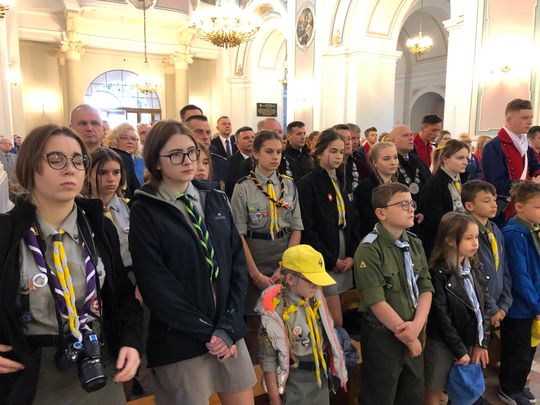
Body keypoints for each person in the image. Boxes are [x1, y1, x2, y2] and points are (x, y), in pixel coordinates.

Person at [0, 124, 143, 403]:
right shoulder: (7, 232)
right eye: (56, 159)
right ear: (30, 166)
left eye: (78, 160)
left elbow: (123, 296)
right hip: (32, 374)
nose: (70, 169)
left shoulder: (99, 227)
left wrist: (131, 342)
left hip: (97, 362)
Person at [129, 120, 256, 405]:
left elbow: (237, 264)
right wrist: (209, 333)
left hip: (226, 329)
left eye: (191, 152)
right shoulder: (145, 209)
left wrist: (228, 327)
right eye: (175, 154)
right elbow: (156, 284)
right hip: (181, 338)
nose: (188, 161)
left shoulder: (214, 197)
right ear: (156, 161)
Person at [354, 182, 433, 405]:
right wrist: (409, 337)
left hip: (415, 327)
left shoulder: (414, 243)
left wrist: (417, 325)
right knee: (381, 395)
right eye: (403, 205)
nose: (411, 209)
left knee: (413, 393)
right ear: (381, 213)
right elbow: (376, 301)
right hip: (384, 335)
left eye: (412, 203)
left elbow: (426, 287)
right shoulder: (369, 249)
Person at [230, 131, 303, 363]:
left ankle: (283, 365)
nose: (275, 157)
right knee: (256, 321)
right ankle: (257, 369)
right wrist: (256, 275)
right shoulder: (243, 188)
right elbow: (238, 235)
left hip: (284, 254)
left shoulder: (288, 185)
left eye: (279, 152)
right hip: (255, 255)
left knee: (285, 315)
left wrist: (285, 266)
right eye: (269, 151)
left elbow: (296, 228)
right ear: (255, 153)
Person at [256, 245, 347, 405]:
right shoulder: (274, 313)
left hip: (320, 379)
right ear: (290, 279)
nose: (317, 285)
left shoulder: (316, 300)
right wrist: (274, 399)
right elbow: (268, 359)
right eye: (311, 281)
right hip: (294, 384)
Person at [424, 212, 491, 405]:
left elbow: (484, 307)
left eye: (476, 237)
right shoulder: (438, 272)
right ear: (450, 240)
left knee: (463, 388)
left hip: (469, 339)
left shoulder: (475, 267)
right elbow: (441, 316)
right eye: (469, 238)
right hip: (442, 343)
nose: (475, 243)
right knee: (434, 388)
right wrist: (459, 350)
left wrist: (482, 342)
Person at [298, 129, 354, 327]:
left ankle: (337, 345)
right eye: (333, 151)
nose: (338, 156)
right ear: (319, 152)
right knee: (334, 320)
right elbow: (308, 228)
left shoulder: (341, 179)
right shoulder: (308, 183)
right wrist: (331, 260)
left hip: (343, 247)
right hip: (324, 252)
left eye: (341, 152)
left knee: (343, 310)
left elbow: (351, 219)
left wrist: (351, 255)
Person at [498, 181, 540, 405]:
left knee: (529, 347)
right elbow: (520, 275)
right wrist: (535, 305)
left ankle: (519, 384)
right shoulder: (514, 233)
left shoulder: (531, 227)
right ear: (520, 207)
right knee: (517, 350)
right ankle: (509, 389)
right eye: (538, 207)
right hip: (520, 306)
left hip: (532, 303)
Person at [482, 99, 540, 226]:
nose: (530, 122)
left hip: (524, 207)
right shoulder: (494, 147)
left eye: (531, 117)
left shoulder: (525, 145)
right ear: (509, 119)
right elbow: (496, 184)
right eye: (525, 118)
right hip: (505, 211)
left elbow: (535, 166)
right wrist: (531, 184)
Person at [462, 180, 512, 325]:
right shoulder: (466, 233)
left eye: (494, 200)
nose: (494, 205)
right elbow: (473, 275)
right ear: (469, 206)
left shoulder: (495, 230)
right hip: (476, 307)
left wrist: (504, 304)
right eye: (486, 201)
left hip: (498, 306)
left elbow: (504, 268)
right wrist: (493, 308)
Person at [419, 139, 470, 255]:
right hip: (442, 244)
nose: (466, 162)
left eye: (467, 158)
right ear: (445, 159)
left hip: (460, 236)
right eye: (460, 158)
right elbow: (435, 221)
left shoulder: (461, 180)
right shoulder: (434, 184)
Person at [86, 147, 131, 268]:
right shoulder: (81, 210)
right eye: (102, 173)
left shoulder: (128, 207)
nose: (111, 179)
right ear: (88, 175)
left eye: (116, 172)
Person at [354, 142, 399, 239]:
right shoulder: (365, 188)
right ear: (375, 163)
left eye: (395, 157)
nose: (393, 162)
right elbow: (369, 222)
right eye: (386, 159)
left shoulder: (399, 185)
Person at [185, 114, 231, 193]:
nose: (206, 137)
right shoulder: (179, 164)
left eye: (208, 132)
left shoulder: (222, 164)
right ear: (186, 135)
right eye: (199, 132)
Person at [389, 124, 431, 204]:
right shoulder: (389, 163)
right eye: (405, 135)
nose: (411, 138)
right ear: (393, 141)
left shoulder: (417, 160)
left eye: (411, 135)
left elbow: (429, 185)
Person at [104, 123, 144, 199]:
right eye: (125, 138)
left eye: (133, 138)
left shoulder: (143, 161)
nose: (130, 141)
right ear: (115, 140)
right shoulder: (109, 161)